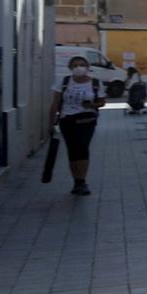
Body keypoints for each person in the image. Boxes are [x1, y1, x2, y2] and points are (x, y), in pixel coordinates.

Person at [50, 55, 102, 195]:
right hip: (67, 120)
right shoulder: (64, 81)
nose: (78, 67)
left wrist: (92, 105)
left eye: (81, 64)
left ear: (87, 67)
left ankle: (82, 180)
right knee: (72, 150)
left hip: (86, 121)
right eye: (75, 65)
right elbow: (56, 102)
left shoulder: (95, 83)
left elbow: (102, 102)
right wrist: (51, 122)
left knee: (82, 147)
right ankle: (77, 182)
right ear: (70, 68)